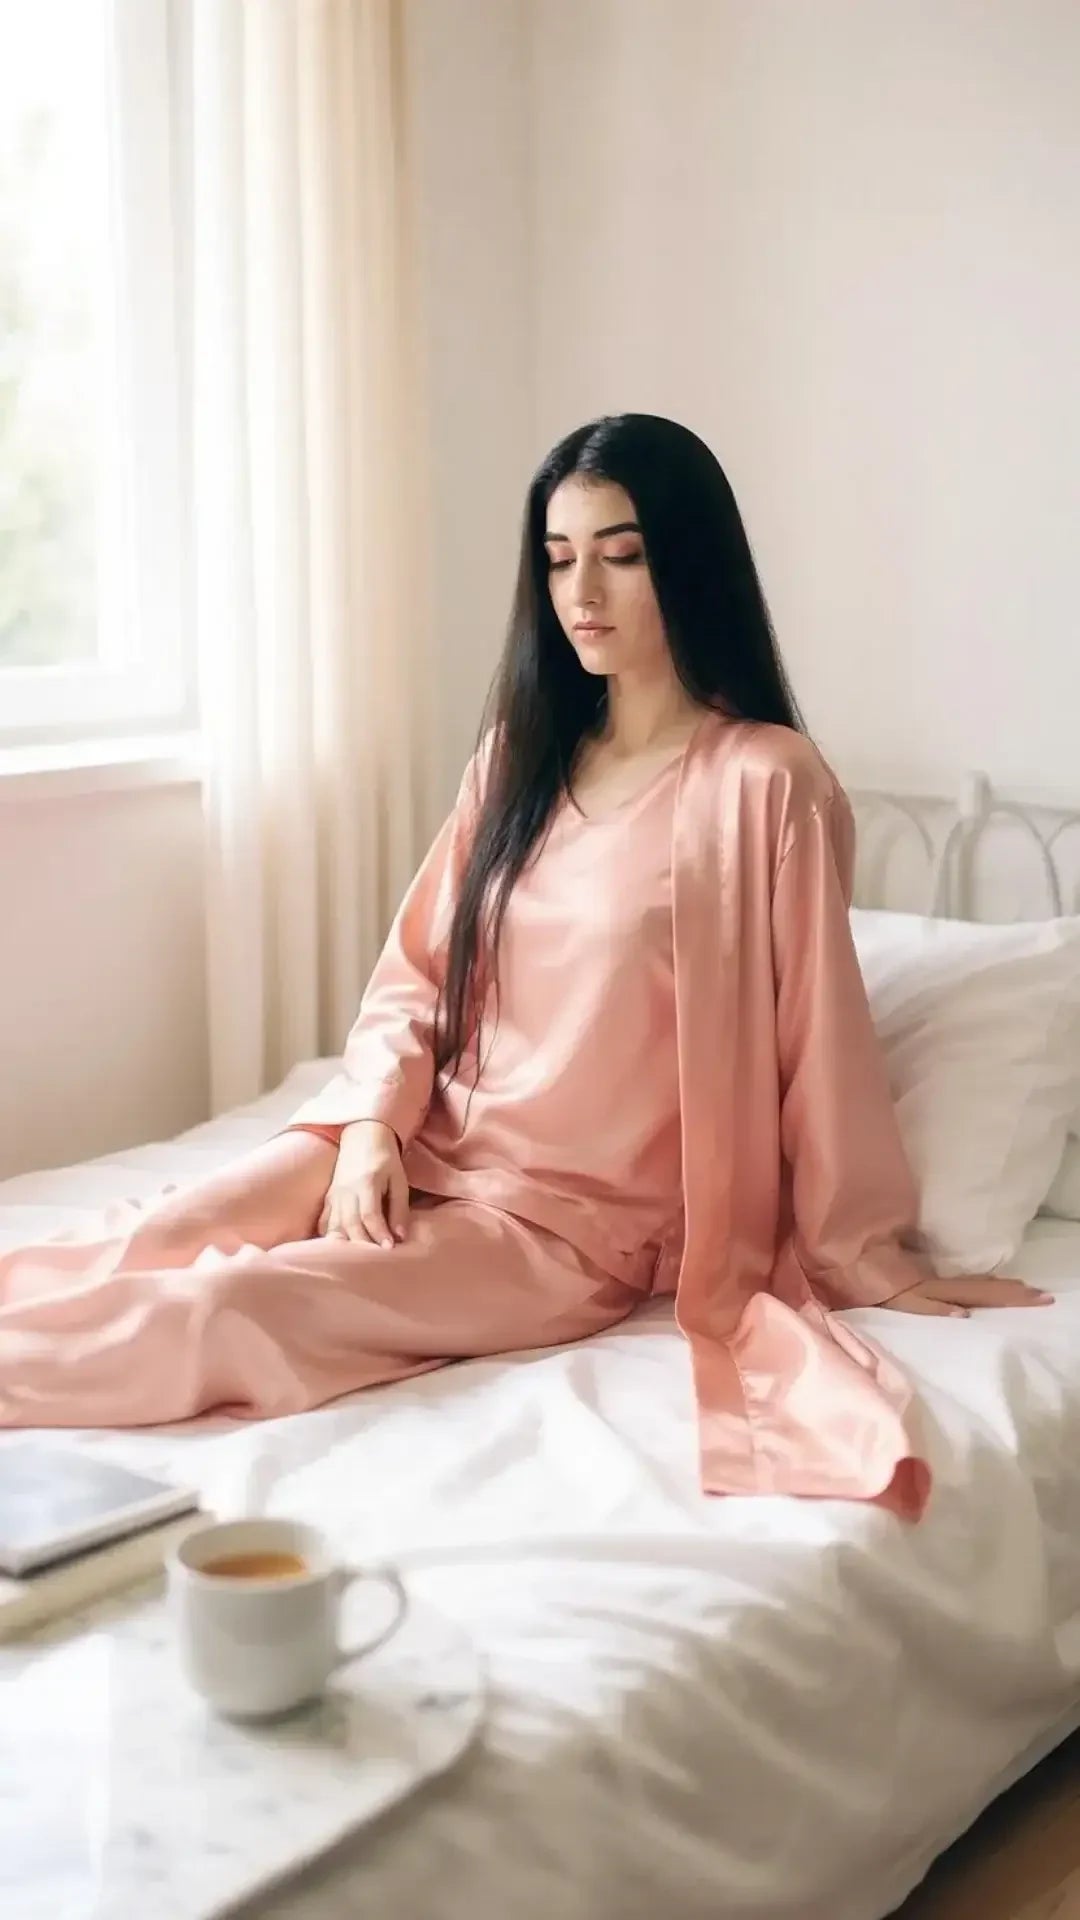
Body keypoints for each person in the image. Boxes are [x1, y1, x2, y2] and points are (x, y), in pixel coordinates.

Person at [0, 413, 1050, 1512]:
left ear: (688, 561)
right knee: (153, 1233)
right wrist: (368, 1127)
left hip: (565, 1227)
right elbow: (417, 974)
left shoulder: (767, 784)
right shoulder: (520, 754)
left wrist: (873, 1256)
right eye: (558, 560)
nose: (582, 594)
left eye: (621, 555)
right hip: (419, 1139)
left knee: (228, 1310)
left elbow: (818, 1049)